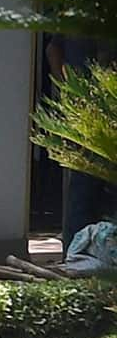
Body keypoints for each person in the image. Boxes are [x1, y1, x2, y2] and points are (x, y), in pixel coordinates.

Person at [45, 34, 116, 252]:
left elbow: (52, 50)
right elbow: (53, 50)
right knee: (85, 182)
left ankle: (78, 252)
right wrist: (67, 89)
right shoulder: (85, 24)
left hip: (93, 107)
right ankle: (76, 251)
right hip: (92, 110)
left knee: (85, 182)